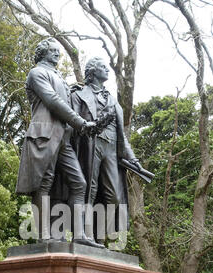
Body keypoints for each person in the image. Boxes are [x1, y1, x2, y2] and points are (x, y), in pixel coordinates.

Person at [16, 39, 102, 247]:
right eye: (53, 50)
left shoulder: (59, 78)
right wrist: (81, 122)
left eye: (58, 51)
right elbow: (53, 101)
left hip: (63, 137)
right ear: (42, 53)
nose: (57, 54)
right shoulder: (37, 73)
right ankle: (43, 235)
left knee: (79, 183)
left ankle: (80, 235)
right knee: (43, 184)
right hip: (44, 135)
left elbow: (64, 99)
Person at [71, 57, 144, 243]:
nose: (108, 70)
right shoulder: (79, 94)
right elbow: (72, 123)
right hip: (90, 145)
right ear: (93, 71)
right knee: (89, 191)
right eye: (103, 67)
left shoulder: (113, 100)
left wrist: (132, 158)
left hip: (111, 148)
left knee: (114, 196)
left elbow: (122, 135)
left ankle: (100, 235)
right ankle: (88, 236)